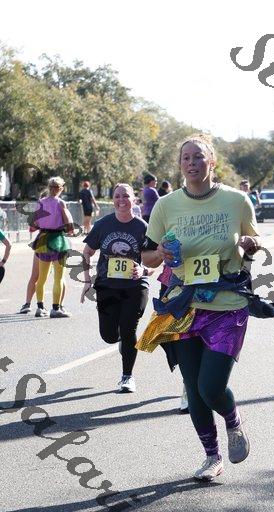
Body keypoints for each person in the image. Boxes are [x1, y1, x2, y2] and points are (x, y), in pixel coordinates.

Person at [137, 134, 261, 481]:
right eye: (185, 158)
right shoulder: (166, 206)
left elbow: (254, 239)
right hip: (183, 306)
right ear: (180, 165)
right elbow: (146, 256)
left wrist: (251, 244)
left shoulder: (237, 201)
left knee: (211, 387)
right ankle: (211, 456)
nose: (191, 163)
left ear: (212, 162)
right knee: (193, 390)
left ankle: (233, 421)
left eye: (198, 157)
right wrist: (160, 253)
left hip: (227, 305)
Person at [81, 183, 153, 393]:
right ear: (113, 200)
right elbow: (87, 252)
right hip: (107, 286)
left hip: (135, 286)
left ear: (134, 199)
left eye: (126, 196)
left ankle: (127, 376)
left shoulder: (142, 227)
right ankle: (120, 337)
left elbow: (154, 260)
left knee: (129, 329)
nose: (122, 200)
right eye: (117, 196)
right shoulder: (103, 224)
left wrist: (143, 269)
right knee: (109, 336)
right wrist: (87, 280)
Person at [30, 177, 73, 318]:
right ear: (61, 188)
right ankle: (55, 308)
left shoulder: (40, 202)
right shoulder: (61, 203)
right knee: (58, 278)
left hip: (43, 240)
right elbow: (69, 224)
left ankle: (40, 307)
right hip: (58, 240)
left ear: (49, 187)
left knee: (41, 278)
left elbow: (34, 224)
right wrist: (69, 230)